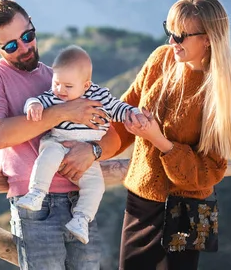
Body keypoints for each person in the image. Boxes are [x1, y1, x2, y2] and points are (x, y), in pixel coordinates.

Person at [0, 0, 121, 270]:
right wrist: (64, 112)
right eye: (12, 45)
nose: (25, 48)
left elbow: (111, 137)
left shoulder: (61, 78)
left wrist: (93, 151)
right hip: (35, 205)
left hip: (82, 202)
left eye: (28, 36)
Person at [110, 0, 231, 270]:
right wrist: (91, 150)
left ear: (208, 38)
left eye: (181, 35)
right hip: (141, 203)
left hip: (186, 212)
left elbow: (210, 171)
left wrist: (159, 141)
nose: (171, 41)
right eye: (169, 30)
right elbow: (123, 113)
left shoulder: (218, 92)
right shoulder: (161, 59)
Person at [17, 45, 143, 244]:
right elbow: (37, 99)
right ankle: (36, 193)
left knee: (96, 186)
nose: (60, 90)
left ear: (86, 85)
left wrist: (133, 113)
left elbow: (118, 108)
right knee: (47, 158)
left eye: (68, 86)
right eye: (56, 83)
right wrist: (33, 105)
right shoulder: (53, 96)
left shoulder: (99, 96)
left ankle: (81, 219)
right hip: (58, 141)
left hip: (86, 151)